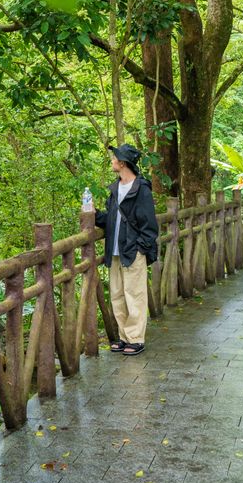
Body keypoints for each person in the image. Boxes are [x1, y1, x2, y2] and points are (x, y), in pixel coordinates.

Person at [95, 143, 159, 356]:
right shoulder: (115, 188)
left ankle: (136, 339)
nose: (112, 161)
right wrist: (94, 215)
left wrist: (141, 248)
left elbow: (149, 226)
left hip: (133, 251)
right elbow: (112, 218)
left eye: (114, 158)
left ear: (122, 163)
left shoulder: (141, 188)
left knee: (135, 295)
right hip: (114, 251)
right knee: (117, 295)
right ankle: (124, 336)